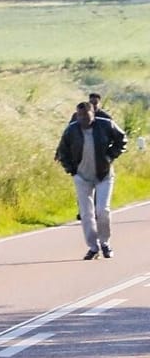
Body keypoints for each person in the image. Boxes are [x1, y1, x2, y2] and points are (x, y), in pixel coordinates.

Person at [55, 100, 128, 260]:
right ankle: (93, 247)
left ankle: (105, 243)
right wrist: (71, 170)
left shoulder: (106, 125)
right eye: (79, 116)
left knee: (102, 210)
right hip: (82, 177)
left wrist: (109, 156)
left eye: (86, 116)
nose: (82, 119)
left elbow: (122, 139)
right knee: (86, 213)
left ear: (93, 115)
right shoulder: (71, 130)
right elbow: (63, 151)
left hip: (103, 175)